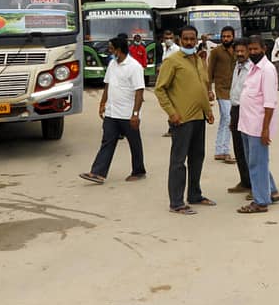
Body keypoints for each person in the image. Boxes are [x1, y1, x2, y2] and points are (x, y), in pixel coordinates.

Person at [154, 25, 216, 215]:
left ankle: (195, 194)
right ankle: (176, 202)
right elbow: (160, 89)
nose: (189, 42)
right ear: (180, 40)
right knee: (179, 161)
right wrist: (172, 113)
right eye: (186, 39)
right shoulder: (172, 61)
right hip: (182, 120)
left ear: (197, 40)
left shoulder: (198, 60)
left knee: (197, 158)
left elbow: (202, 87)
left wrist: (208, 111)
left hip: (199, 118)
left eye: (192, 39)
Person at [79, 37, 146, 184]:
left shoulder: (134, 67)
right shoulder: (112, 64)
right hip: (112, 113)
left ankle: (139, 171)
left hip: (127, 114)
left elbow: (139, 92)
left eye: (111, 48)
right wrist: (102, 103)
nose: (109, 51)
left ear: (118, 50)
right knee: (107, 141)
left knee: (134, 143)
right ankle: (98, 173)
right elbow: (108, 85)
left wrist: (135, 114)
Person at [237, 35, 279, 214]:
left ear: (264, 49)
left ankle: (261, 202)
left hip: (257, 127)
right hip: (247, 124)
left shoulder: (267, 70)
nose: (253, 52)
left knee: (257, 164)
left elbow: (270, 103)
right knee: (255, 162)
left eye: (256, 49)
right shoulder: (253, 68)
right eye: (251, 49)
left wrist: (265, 130)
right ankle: (271, 191)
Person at [207, 26, 237, 164]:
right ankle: (223, 151)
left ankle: (220, 150)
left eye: (228, 36)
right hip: (221, 90)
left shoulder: (238, 50)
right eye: (223, 36)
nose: (226, 39)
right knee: (228, 118)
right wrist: (209, 89)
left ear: (233, 37)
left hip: (236, 90)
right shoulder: (216, 52)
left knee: (227, 120)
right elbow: (210, 71)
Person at [227, 38, 252, 193]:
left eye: (243, 51)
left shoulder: (253, 68)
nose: (240, 54)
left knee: (249, 150)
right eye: (237, 51)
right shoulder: (237, 65)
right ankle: (245, 181)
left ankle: (255, 185)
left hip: (247, 111)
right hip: (235, 109)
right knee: (238, 148)